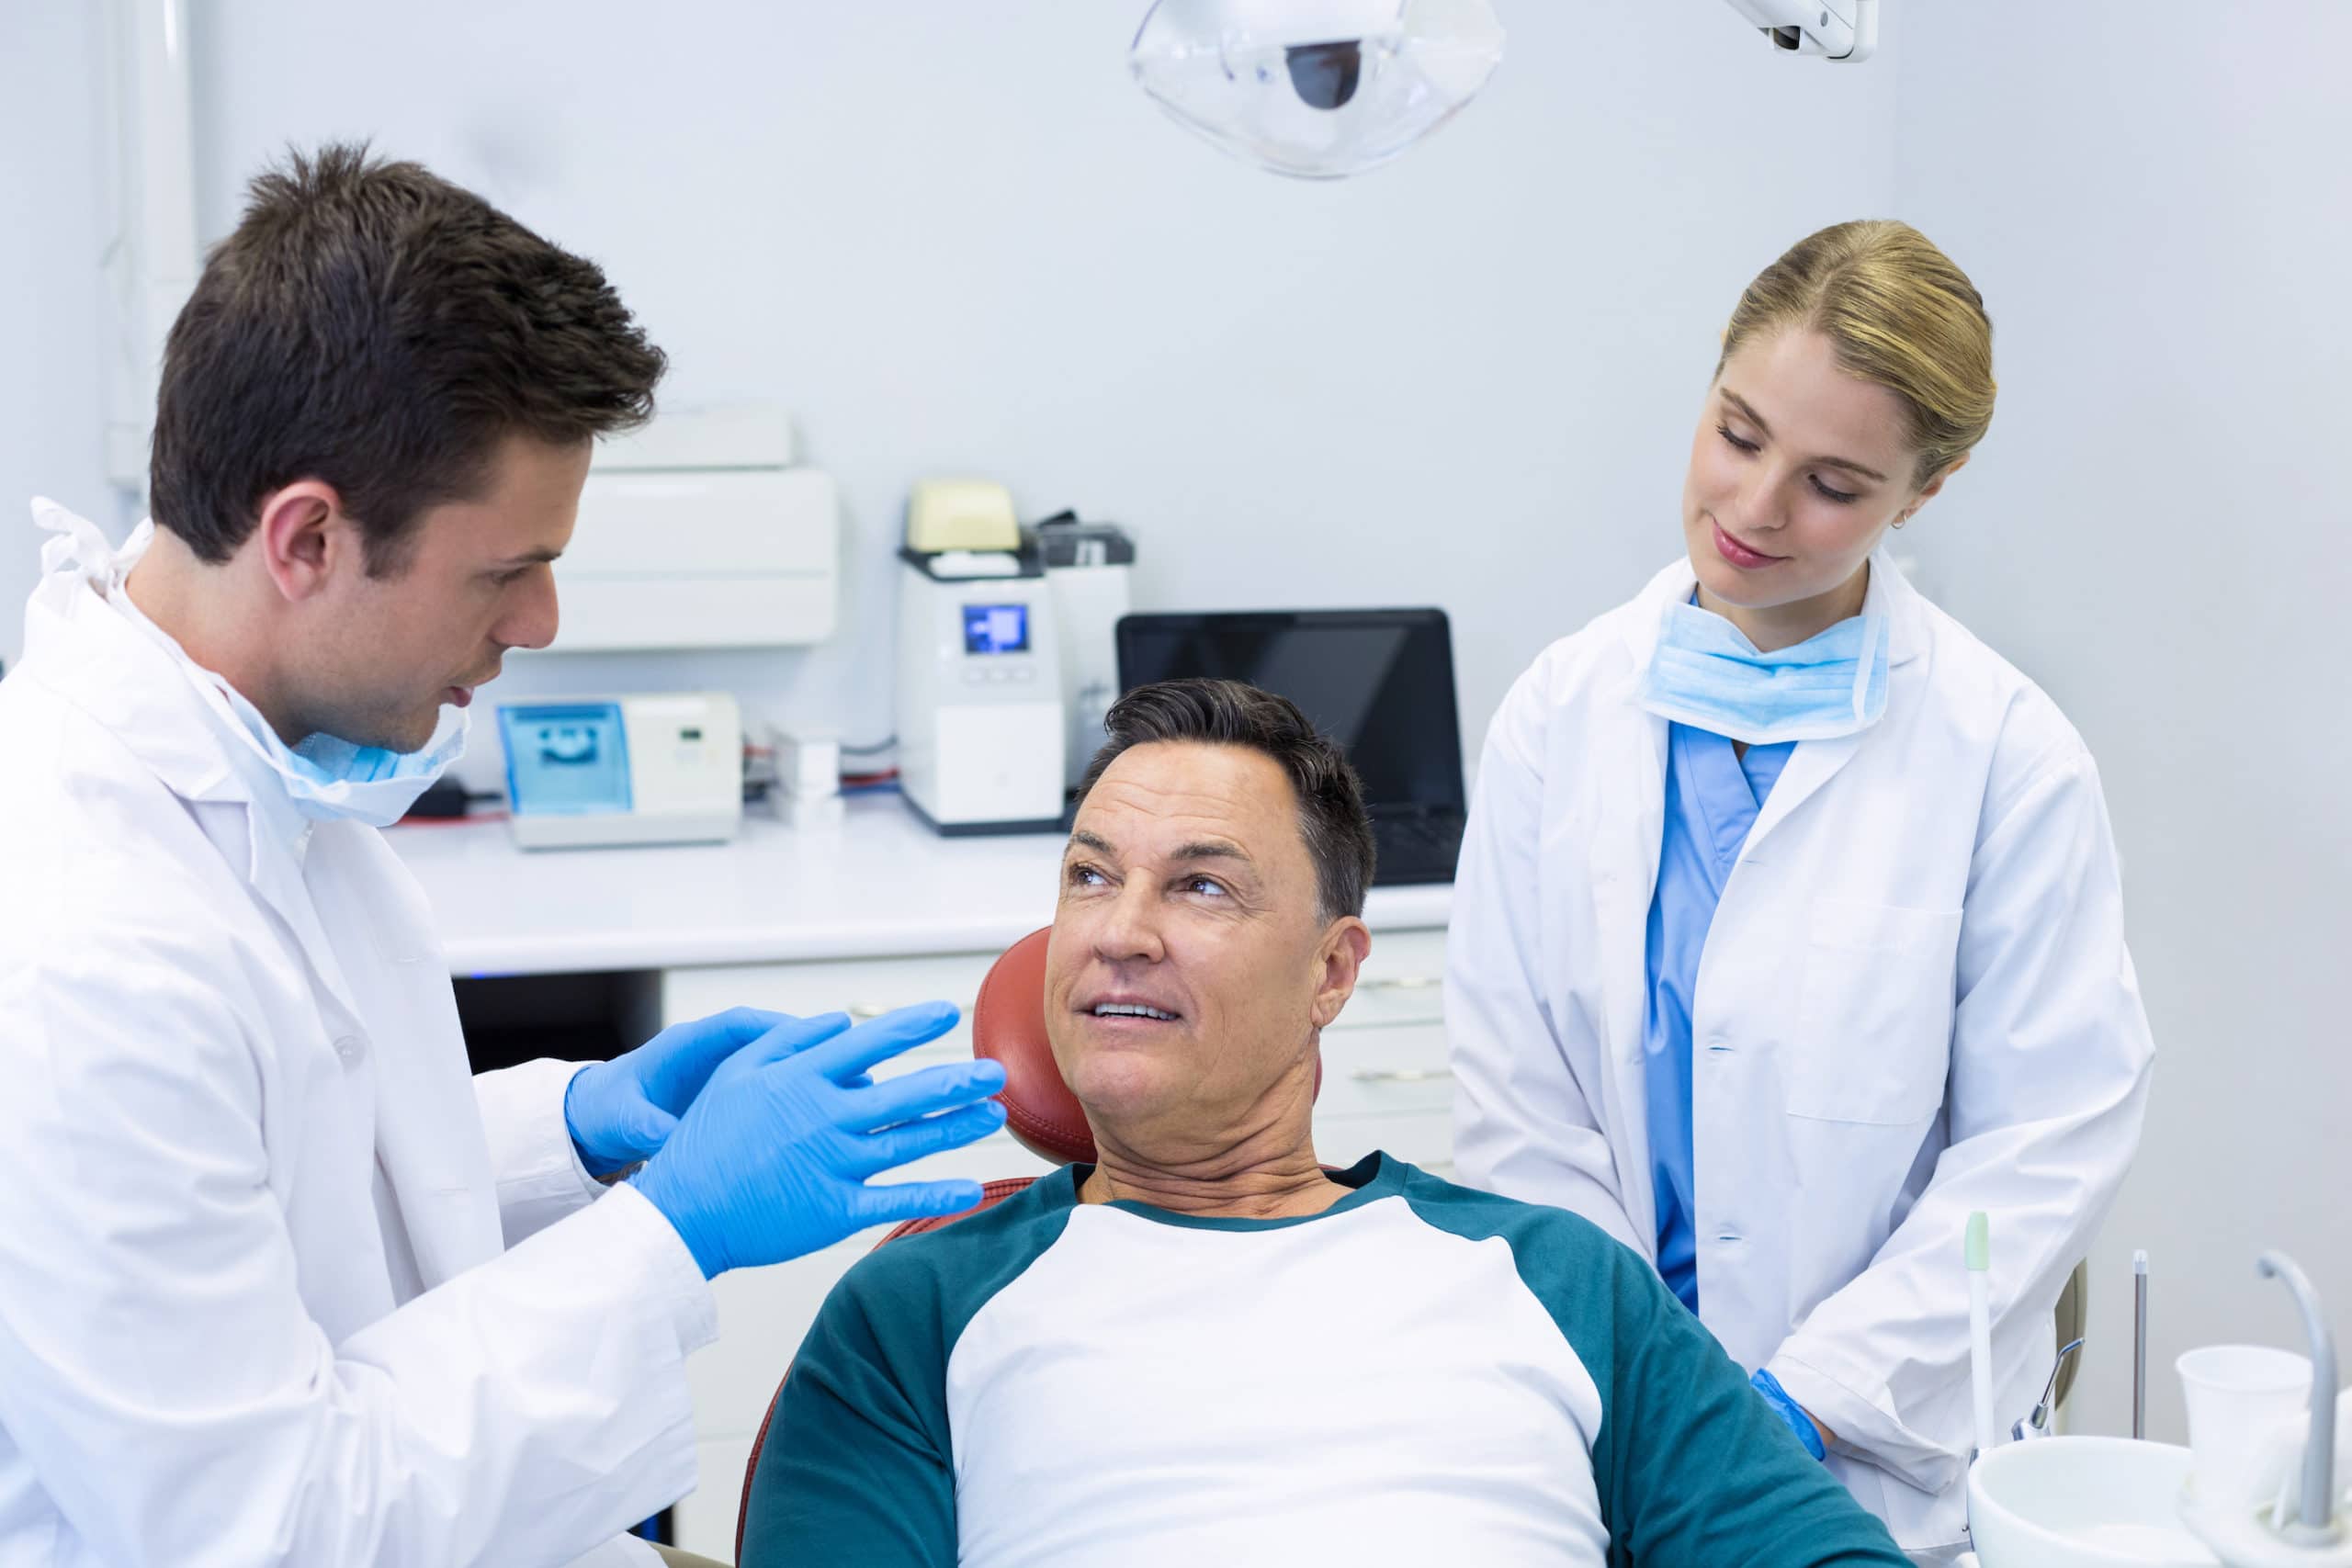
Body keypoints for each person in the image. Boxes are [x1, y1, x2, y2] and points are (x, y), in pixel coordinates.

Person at [0, 145, 1007, 1568]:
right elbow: (264, 1532)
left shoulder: (262, 778)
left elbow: (279, 1167)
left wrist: (578, 1128)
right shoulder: (75, 944)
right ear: (306, 536)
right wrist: (670, 1232)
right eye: (503, 569)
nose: (538, 621)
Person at [739, 679, 1910, 1568]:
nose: (1117, 932)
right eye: (1090, 877)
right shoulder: (914, 1316)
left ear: (1332, 972)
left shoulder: (1558, 1281)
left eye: (1200, 885)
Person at [1446, 219, 2155, 1551]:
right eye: (1738, 431)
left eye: (1834, 481)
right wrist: (1643, 1381)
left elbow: (2046, 1139)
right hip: (1600, 1422)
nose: (1757, 505)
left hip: (1873, 1464)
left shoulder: (2007, 755)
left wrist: (1802, 1398)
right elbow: (1518, 1098)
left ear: (1922, 494)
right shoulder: (1561, 710)